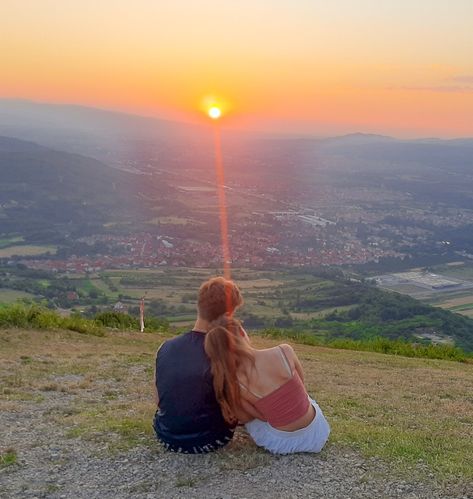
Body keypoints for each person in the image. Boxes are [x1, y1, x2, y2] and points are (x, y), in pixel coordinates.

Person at [204, 317, 330, 454]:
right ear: (241, 332)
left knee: (252, 421)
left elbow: (256, 418)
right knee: (307, 400)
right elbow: (302, 387)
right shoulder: (284, 351)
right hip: (317, 433)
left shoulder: (236, 383)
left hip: (283, 444)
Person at [153, 276, 243, 453]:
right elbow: (237, 404)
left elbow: (159, 400)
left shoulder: (165, 347)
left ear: (199, 307)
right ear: (227, 316)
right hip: (213, 439)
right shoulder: (225, 354)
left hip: (168, 438)